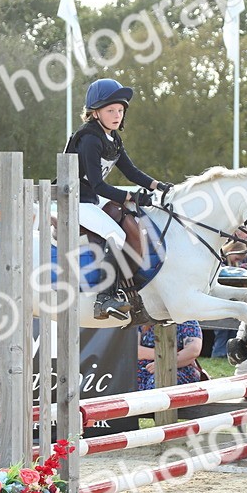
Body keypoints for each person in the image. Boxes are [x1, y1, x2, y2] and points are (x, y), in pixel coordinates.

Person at [66, 78, 171, 321]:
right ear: (95, 113)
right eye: (110, 110)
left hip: (90, 198)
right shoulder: (89, 138)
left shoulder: (113, 138)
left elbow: (131, 172)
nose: (116, 115)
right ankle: (103, 299)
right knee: (117, 235)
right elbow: (98, 184)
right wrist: (132, 196)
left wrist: (158, 185)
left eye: (120, 110)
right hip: (74, 199)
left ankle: (131, 293)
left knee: (133, 221)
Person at [137, 321, 203, 391]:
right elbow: (135, 350)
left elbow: (193, 350)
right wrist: (163, 356)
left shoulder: (187, 320)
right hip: (144, 368)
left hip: (178, 367)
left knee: (160, 380)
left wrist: (166, 362)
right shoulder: (143, 320)